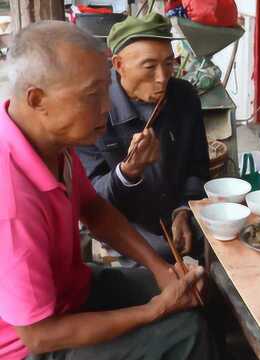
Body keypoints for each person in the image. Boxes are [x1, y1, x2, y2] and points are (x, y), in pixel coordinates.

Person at [0, 21, 211, 360]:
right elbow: (40, 336)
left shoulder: (50, 139)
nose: (107, 107)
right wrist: (155, 310)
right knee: (186, 333)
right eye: (92, 95)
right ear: (37, 99)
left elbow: (95, 210)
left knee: (195, 297)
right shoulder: (9, 200)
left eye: (105, 90)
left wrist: (161, 272)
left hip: (72, 292)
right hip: (31, 346)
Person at [77, 13, 210, 263]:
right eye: (149, 67)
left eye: (169, 63)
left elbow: (198, 167)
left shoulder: (184, 97)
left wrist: (183, 211)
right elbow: (91, 199)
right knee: (160, 256)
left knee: (223, 240)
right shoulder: (92, 109)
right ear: (118, 64)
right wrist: (128, 171)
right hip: (122, 220)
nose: (162, 77)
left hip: (176, 208)